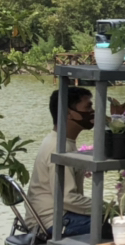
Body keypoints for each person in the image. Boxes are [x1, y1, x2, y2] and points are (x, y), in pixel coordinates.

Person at [27, 88, 98, 236]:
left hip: (59, 216)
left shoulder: (60, 141)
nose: (92, 112)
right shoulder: (59, 147)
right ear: (68, 113)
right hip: (53, 222)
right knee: (117, 226)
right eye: (88, 107)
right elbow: (67, 198)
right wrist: (109, 208)